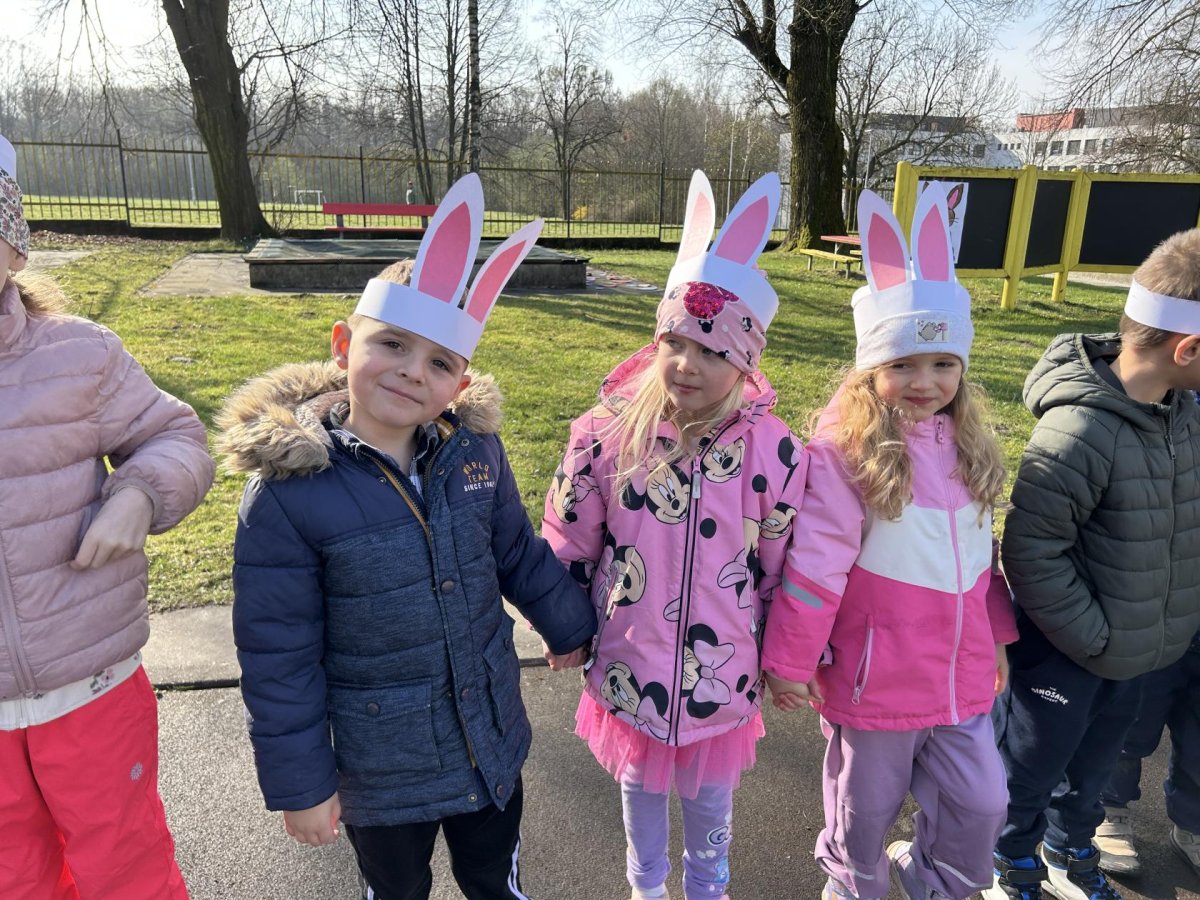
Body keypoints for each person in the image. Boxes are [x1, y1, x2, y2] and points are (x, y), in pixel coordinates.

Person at [220, 172, 595, 900]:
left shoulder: (475, 454)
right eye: (392, 343)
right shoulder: (290, 496)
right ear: (343, 344)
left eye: (439, 362)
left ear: (460, 384)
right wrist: (302, 784)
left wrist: (570, 625)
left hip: (488, 741)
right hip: (381, 770)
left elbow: (517, 552)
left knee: (495, 880)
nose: (411, 372)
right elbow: (279, 653)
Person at [543, 170, 807, 900]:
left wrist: (787, 656)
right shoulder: (606, 435)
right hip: (630, 661)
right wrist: (563, 625)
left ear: (746, 359)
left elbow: (785, 564)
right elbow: (569, 535)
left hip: (723, 674)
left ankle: (708, 887)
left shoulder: (774, 452)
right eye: (675, 342)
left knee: (711, 798)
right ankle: (646, 885)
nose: (688, 363)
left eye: (714, 351)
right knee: (639, 786)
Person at [761, 186, 1016, 900]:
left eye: (943, 364)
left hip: (962, 679)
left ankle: (933, 880)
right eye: (903, 364)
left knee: (983, 805)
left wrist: (997, 636)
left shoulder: (970, 449)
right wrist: (791, 660)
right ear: (871, 367)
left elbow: (983, 562)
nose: (924, 382)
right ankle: (854, 884)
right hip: (876, 683)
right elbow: (815, 569)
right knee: (862, 812)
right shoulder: (845, 453)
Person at [0, 132, 215, 899]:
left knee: (125, 869)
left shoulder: (80, 356)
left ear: (12, 247)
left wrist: (137, 495)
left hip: (92, 685)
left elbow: (177, 437)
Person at [987, 226, 1200, 900]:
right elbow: (1031, 550)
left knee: (1095, 766)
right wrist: (1095, 638)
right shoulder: (1078, 430)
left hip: (1135, 654)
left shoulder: (1181, 414)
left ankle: (1068, 848)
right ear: (1189, 348)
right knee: (1030, 766)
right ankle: (1004, 858)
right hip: (1071, 654)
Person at [1094, 630, 1200, 878]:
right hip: (1157, 631)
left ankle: (1192, 826)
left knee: (1196, 744)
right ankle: (1109, 810)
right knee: (1132, 727)